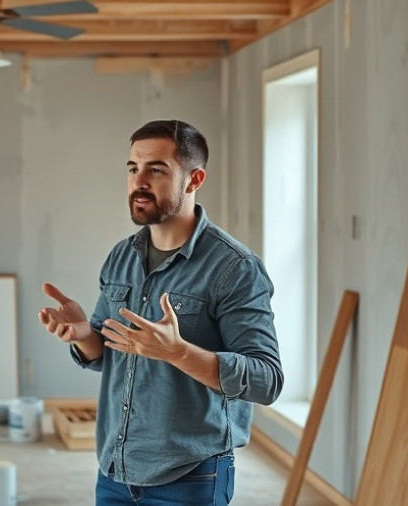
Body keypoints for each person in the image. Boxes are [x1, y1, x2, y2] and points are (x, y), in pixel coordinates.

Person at [38, 119, 283, 506]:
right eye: (133, 169)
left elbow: (266, 380)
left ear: (194, 178)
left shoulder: (234, 268)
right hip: (116, 471)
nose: (139, 182)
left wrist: (178, 352)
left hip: (190, 476)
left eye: (156, 169)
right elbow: (112, 354)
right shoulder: (121, 256)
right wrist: (84, 335)